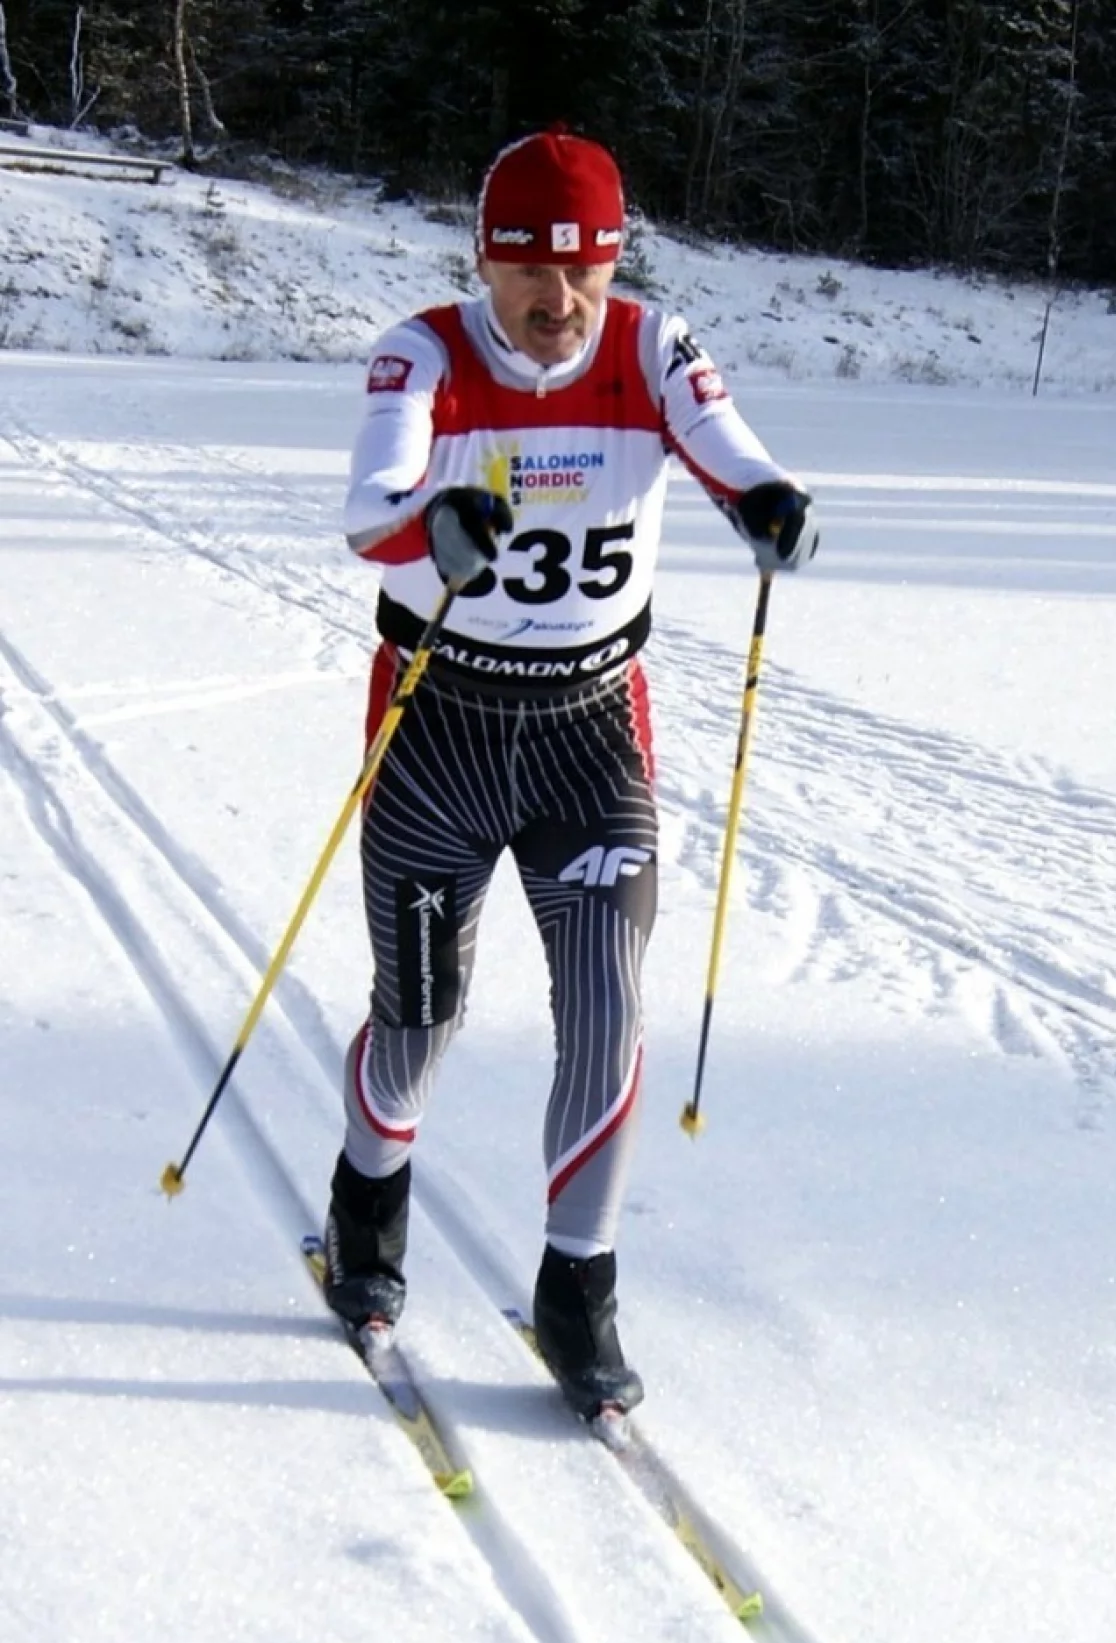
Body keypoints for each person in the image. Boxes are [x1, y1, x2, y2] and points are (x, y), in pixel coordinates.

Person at [322, 127, 818, 1419]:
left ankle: (577, 1295)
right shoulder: (423, 349)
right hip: (438, 734)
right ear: (484, 260)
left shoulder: (653, 345)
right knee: (421, 1017)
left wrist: (769, 501)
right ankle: (369, 1216)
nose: (559, 305)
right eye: (532, 275)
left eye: (586, 274)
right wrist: (430, 519)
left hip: (592, 735)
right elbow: (371, 503)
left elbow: (732, 448)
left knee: (607, 1009)